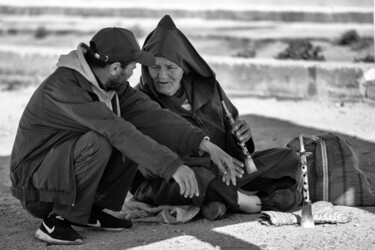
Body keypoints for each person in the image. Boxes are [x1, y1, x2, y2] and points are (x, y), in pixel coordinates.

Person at [9, 27, 239, 245]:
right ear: (116, 68)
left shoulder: (109, 85)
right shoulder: (66, 88)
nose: (135, 72)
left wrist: (204, 144)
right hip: (36, 189)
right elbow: (118, 131)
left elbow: (152, 116)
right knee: (101, 140)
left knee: (130, 132)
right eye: (133, 66)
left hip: (58, 172)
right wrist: (173, 167)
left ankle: (87, 211)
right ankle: (56, 220)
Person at [131, 15, 303, 220]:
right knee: (198, 180)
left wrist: (242, 138)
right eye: (155, 67)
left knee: (288, 158)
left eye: (170, 67)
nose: (162, 76)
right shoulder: (140, 101)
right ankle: (252, 202)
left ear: (185, 67)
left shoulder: (208, 90)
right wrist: (210, 163)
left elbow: (236, 147)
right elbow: (150, 165)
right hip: (173, 180)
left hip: (227, 172)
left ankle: (218, 202)